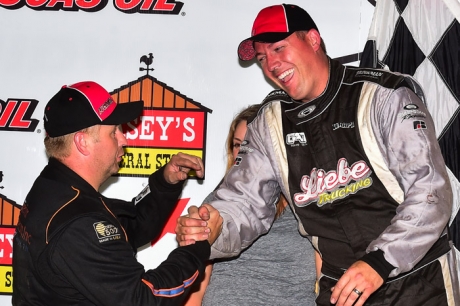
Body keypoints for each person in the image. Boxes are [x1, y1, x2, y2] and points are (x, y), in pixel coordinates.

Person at [175, 4, 460, 306]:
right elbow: (242, 204)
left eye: (279, 48)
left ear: (312, 39)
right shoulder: (269, 124)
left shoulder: (382, 94)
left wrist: (380, 261)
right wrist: (209, 228)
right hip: (341, 288)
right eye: (262, 58)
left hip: (417, 281)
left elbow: (430, 192)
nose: (271, 64)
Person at [12, 81, 222, 305]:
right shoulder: (78, 222)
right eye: (113, 132)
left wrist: (165, 183)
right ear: (82, 143)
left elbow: (128, 228)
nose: (124, 139)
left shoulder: (56, 186)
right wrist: (197, 246)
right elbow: (144, 300)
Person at [184, 104, 317, 305]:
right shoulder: (216, 203)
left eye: (252, 146)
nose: (244, 155)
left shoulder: (308, 201)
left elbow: (328, 276)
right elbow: (197, 281)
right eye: (239, 146)